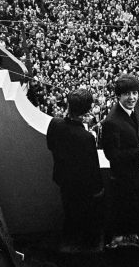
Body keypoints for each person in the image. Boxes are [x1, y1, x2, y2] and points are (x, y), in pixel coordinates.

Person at [100, 74, 139, 248]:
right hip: (122, 177)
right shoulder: (111, 121)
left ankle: (131, 238)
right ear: (118, 96)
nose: (132, 98)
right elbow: (112, 155)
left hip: (135, 173)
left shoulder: (133, 108)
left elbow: (138, 129)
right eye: (127, 94)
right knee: (124, 211)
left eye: (135, 93)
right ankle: (123, 244)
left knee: (134, 208)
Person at [46, 88, 104, 252]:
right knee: (86, 217)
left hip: (63, 180)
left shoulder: (55, 123)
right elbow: (92, 167)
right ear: (87, 110)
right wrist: (98, 189)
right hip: (83, 188)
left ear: (68, 104)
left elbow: (50, 145)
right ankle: (87, 245)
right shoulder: (86, 138)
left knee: (69, 213)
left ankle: (70, 242)